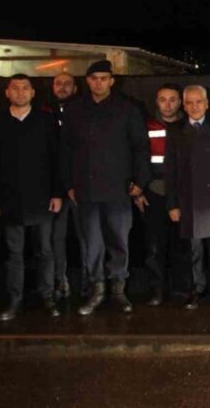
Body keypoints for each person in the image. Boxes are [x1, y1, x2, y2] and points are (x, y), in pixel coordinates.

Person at [61, 60, 150, 315]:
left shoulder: (127, 108)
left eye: (103, 78)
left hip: (118, 188)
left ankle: (118, 291)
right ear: (87, 81)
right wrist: (68, 184)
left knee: (119, 241)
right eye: (94, 78)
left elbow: (140, 148)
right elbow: (65, 149)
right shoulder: (74, 109)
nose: (98, 83)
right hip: (86, 189)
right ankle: (97, 291)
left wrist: (140, 183)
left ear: (112, 81)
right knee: (92, 243)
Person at [165, 85, 210, 309]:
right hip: (188, 200)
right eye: (189, 102)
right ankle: (196, 290)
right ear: (183, 105)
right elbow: (170, 170)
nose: (194, 106)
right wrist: (172, 204)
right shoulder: (175, 130)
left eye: (199, 102)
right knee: (193, 251)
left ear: (207, 104)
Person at [0, 74, 62, 320]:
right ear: (7, 92)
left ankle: (48, 297)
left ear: (33, 92)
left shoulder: (46, 120)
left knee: (45, 250)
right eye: (15, 88)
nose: (20, 92)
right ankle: (15, 300)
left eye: (25, 88)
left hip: (42, 198)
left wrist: (57, 193)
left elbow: (57, 160)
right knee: (14, 254)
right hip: (9, 199)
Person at [133, 84, 186, 306]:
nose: (168, 104)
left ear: (180, 102)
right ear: (156, 102)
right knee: (154, 246)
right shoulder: (146, 126)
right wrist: (139, 191)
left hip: (182, 194)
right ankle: (157, 290)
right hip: (153, 192)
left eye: (172, 99)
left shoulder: (188, 126)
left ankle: (180, 290)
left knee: (181, 245)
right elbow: (137, 159)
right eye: (163, 99)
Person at [45, 72, 86, 301]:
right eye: (58, 83)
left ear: (75, 88)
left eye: (67, 84)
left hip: (81, 186)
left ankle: (89, 283)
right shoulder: (44, 113)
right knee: (55, 239)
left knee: (87, 236)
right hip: (55, 188)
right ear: (52, 87)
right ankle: (60, 281)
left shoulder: (84, 111)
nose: (62, 87)